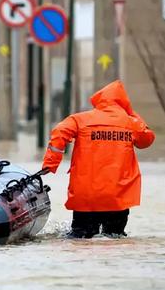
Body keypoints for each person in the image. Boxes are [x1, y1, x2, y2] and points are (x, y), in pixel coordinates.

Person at [41, 80, 155, 238]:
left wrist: (50, 164)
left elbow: (59, 132)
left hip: (86, 197)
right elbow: (147, 139)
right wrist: (130, 113)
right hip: (117, 197)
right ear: (123, 103)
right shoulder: (130, 123)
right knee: (115, 239)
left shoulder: (80, 119)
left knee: (81, 239)